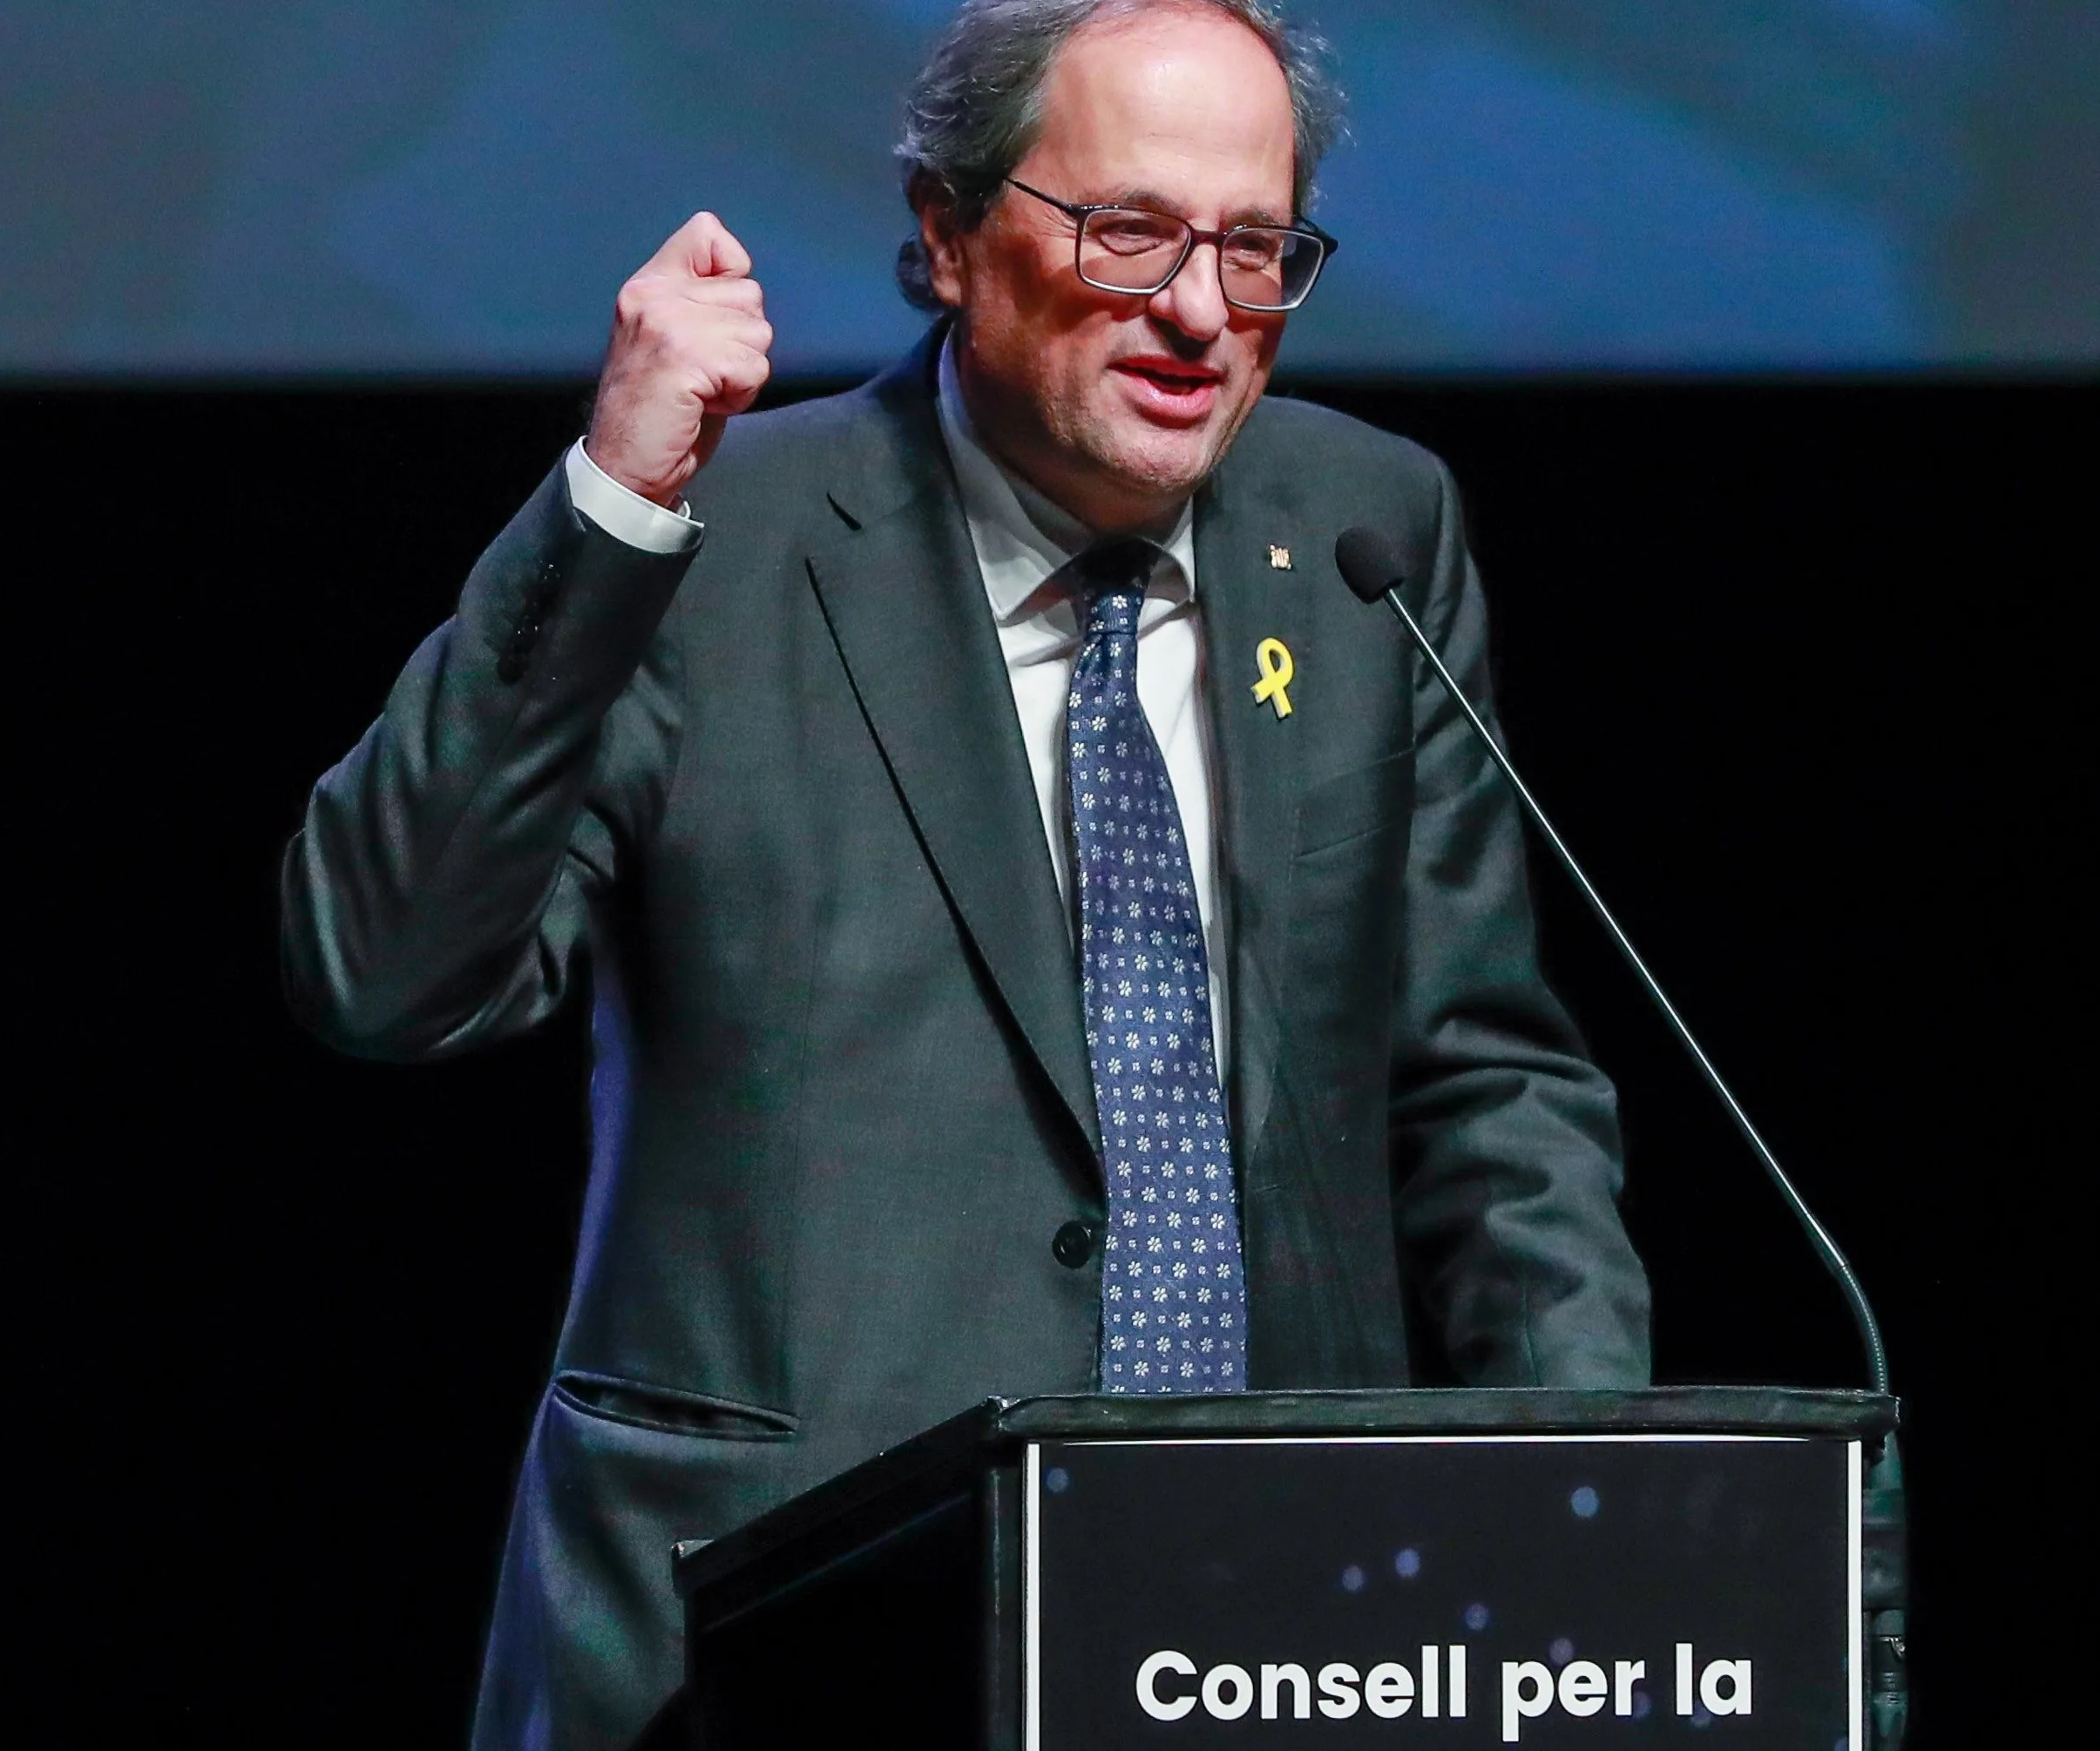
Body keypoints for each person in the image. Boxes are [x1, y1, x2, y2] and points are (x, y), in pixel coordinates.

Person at [279, 2, 1651, 1744]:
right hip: (767, 1632)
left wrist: (1596, 1486)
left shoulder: (1365, 533)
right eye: (1128, 230)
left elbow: (1478, 1075)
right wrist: (612, 508)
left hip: (1277, 1625)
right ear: (943, 234)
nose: (1199, 311)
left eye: (1254, 247)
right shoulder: (715, 538)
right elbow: (385, 977)